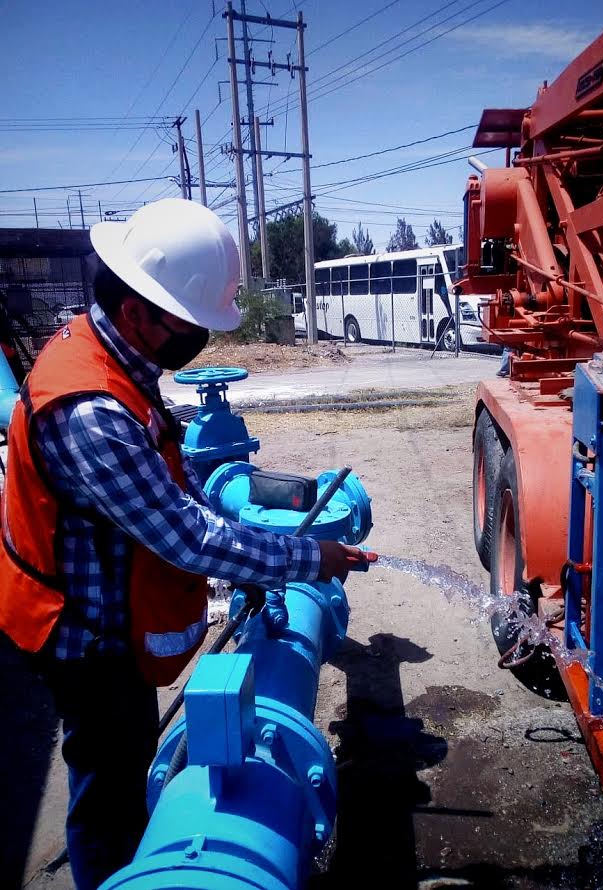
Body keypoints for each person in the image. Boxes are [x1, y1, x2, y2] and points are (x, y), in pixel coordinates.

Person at [0, 198, 364, 890]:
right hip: (83, 639)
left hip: (106, 618)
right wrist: (305, 557)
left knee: (124, 766)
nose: (198, 339)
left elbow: (172, 482)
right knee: (109, 791)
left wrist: (248, 550)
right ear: (138, 311)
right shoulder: (90, 411)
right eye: (190, 325)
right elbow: (187, 538)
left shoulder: (111, 357)